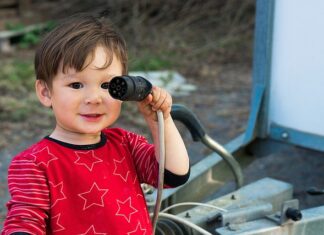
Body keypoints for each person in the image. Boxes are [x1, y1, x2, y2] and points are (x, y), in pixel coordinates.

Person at [1, 13, 190, 235]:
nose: (94, 98)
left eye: (107, 84)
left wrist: (161, 121)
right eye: (76, 85)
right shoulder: (35, 164)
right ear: (45, 92)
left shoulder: (126, 144)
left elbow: (174, 174)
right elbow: (24, 221)